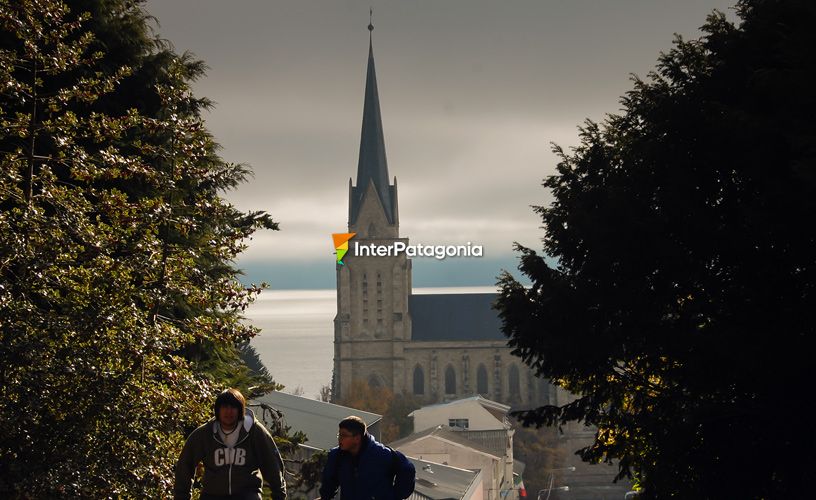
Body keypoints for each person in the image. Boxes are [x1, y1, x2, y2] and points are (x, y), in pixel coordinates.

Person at [174, 388, 287, 500]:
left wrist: (279, 494)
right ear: (217, 410)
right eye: (224, 407)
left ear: (240, 410)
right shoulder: (205, 434)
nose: (229, 411)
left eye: (233, 407)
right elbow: (185, 465)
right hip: (212, 494)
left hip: (247, 494)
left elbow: (272, 463)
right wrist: (181, 496)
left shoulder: (255, 432)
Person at [319, 415, 415, 500]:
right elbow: (329, 482)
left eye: (344, 435)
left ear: (357, 438)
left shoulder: (381, 454)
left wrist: (396, 496)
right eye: (339, 434)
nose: (340, 438)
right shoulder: (336, 456)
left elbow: (407, 468)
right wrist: (325, 497)